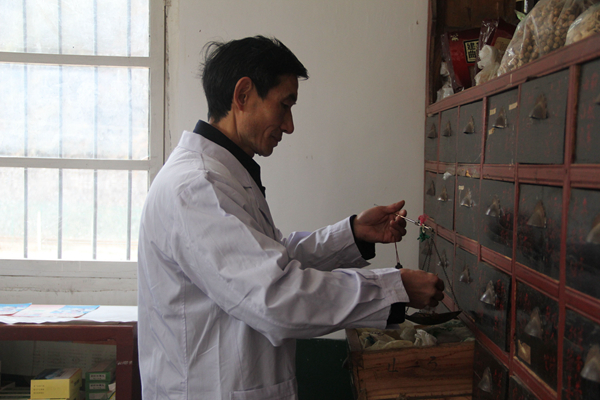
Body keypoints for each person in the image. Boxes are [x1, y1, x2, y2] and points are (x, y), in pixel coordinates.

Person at [137, 35, 444, 400]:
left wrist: (353, 234)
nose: (289, 125)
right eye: (284, 105)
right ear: (243, 95)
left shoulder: (221, 176)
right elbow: (273, 297)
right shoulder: (196, 187)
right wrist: (394, 288)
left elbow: (270, 258)